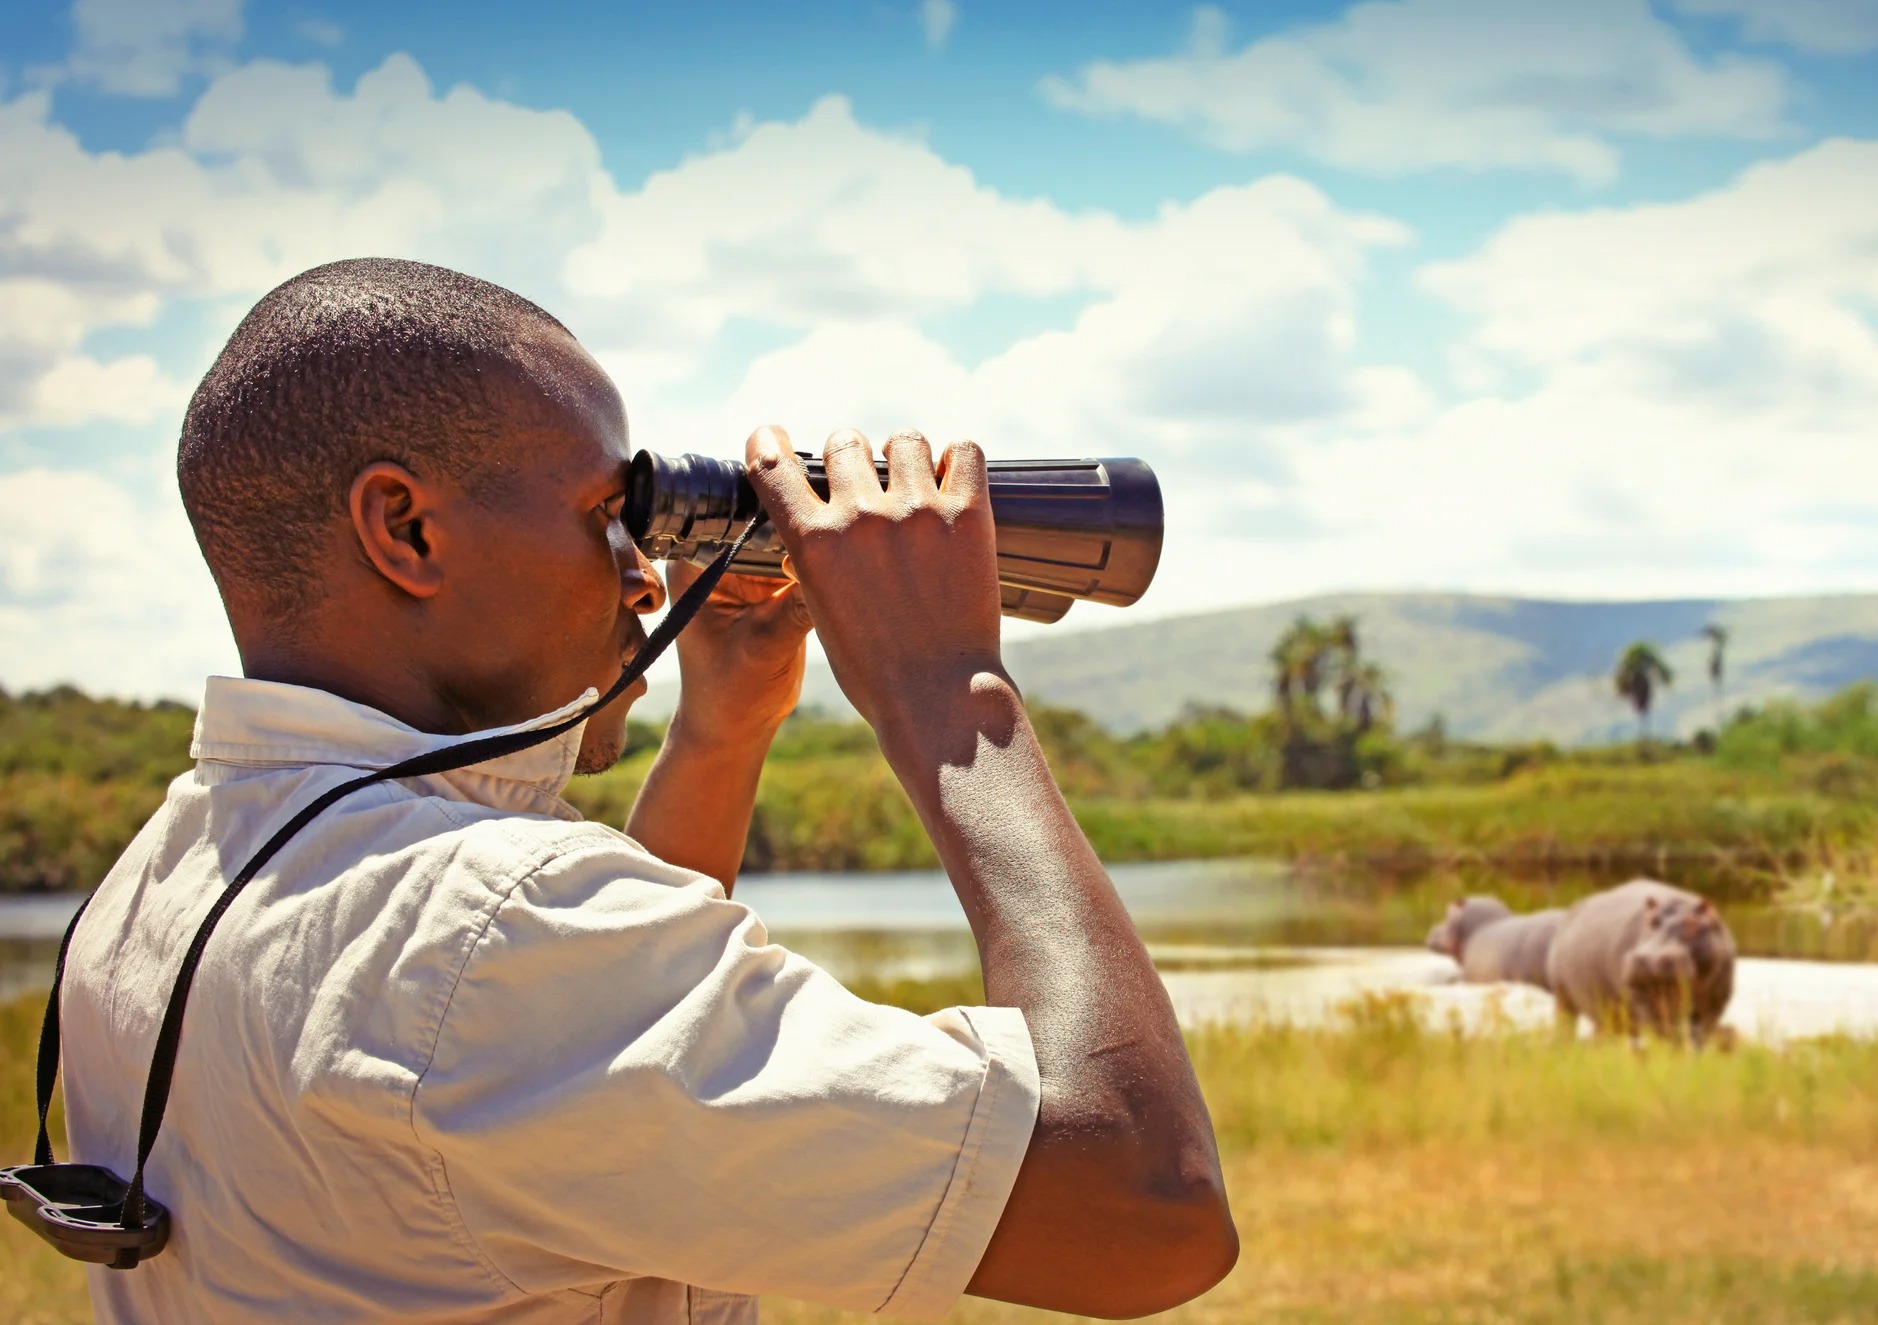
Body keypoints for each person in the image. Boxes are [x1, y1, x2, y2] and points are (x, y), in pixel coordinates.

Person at [54, 258, 1236, 1322]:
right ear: (406, 530)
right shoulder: (485, 936)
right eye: (600, 517)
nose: (640, 578)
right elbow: (1141, 1203)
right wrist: (949, 689)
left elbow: (579, 1097)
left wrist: (722, 731)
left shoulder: (168, 873)